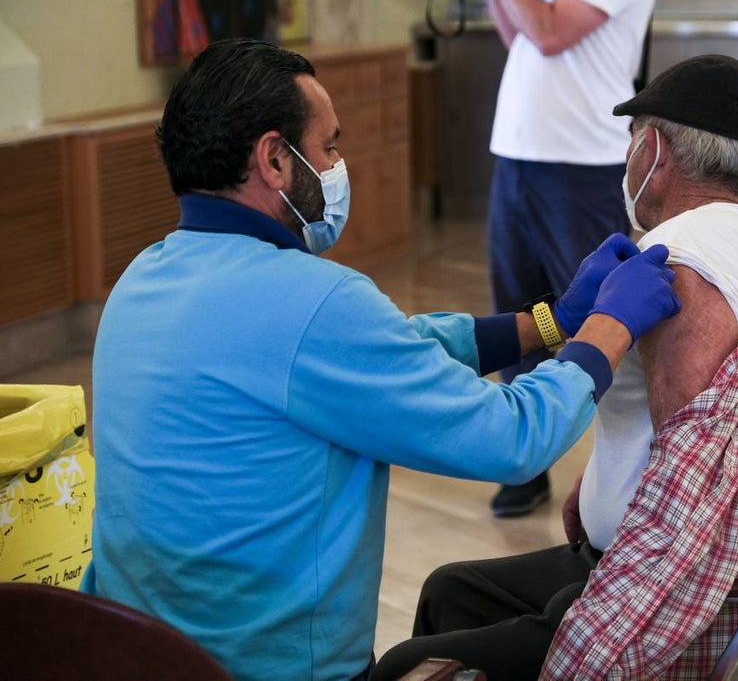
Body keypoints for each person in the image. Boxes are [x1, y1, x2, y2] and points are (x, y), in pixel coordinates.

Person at [79, 38, 681, 681]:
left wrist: (552, 324)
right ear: (276, 160)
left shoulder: (144, 276)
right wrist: (608, 328)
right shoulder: (314, 303)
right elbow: (513, 438)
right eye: (330, 147)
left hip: (127, 652)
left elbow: (387, 350)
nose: (340, 165)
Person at [371, 55, 738, 681]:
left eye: (631, 141)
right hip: (667, 556)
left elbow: (692, 493)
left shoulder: (681, 263)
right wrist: (559, 328)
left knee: (409, 668)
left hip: (675, 589)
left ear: (651, 151)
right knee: (452, 590)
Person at [443, 0, 659, 517]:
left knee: (609, 311)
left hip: (580, 164)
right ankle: (525, 463)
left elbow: (549, 31)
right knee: (525, 309)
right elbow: (516, 33)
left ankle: (647, 467)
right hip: (520, 156)